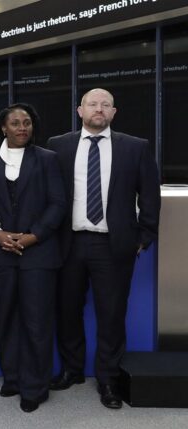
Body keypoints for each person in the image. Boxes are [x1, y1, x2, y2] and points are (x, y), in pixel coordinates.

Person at [47, 88, 160, 409]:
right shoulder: (58, 146)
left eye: (105, 105)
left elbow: (150, 195)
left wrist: (145, 235)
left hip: (114, 245)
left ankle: (108, 378)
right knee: (67, 309)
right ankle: (72, 369)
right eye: (92, 104)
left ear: (114, 112)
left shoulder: (136, 148)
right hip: (68, 242)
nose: (99, 109)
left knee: (111, 314)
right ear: (79, 110)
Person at [0, 103, 66, 412]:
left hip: (38, 254)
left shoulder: (48, 159)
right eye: (15, 123)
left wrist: (32, 236)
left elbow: (57, 204)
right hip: (0, 253)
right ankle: (12, 377)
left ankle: (34, 387)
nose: (22, 127)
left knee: (37, 323)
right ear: (3, 127)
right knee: (6, 318)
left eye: (27, 122)